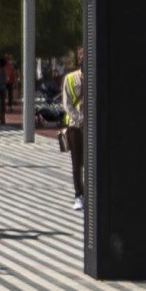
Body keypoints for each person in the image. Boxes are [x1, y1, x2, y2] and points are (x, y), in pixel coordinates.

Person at [62, 52, 87, 210]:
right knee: (77, 163)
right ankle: (79, 195)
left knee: (91, 162)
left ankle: (91, 192)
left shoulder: (96, 77)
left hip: (92, 127)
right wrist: (80, 119)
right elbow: (67, 104)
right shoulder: (70, 78)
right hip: (75, 127)